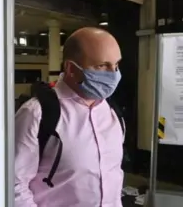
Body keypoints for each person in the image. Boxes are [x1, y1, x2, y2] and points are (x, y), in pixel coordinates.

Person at [14, 27, 124, 207]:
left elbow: (113, 177)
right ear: (71, 68)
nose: (113, 74)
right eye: (102, 66)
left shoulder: (112, 112)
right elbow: (15, 186)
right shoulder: (37, 113)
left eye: (116, 65)